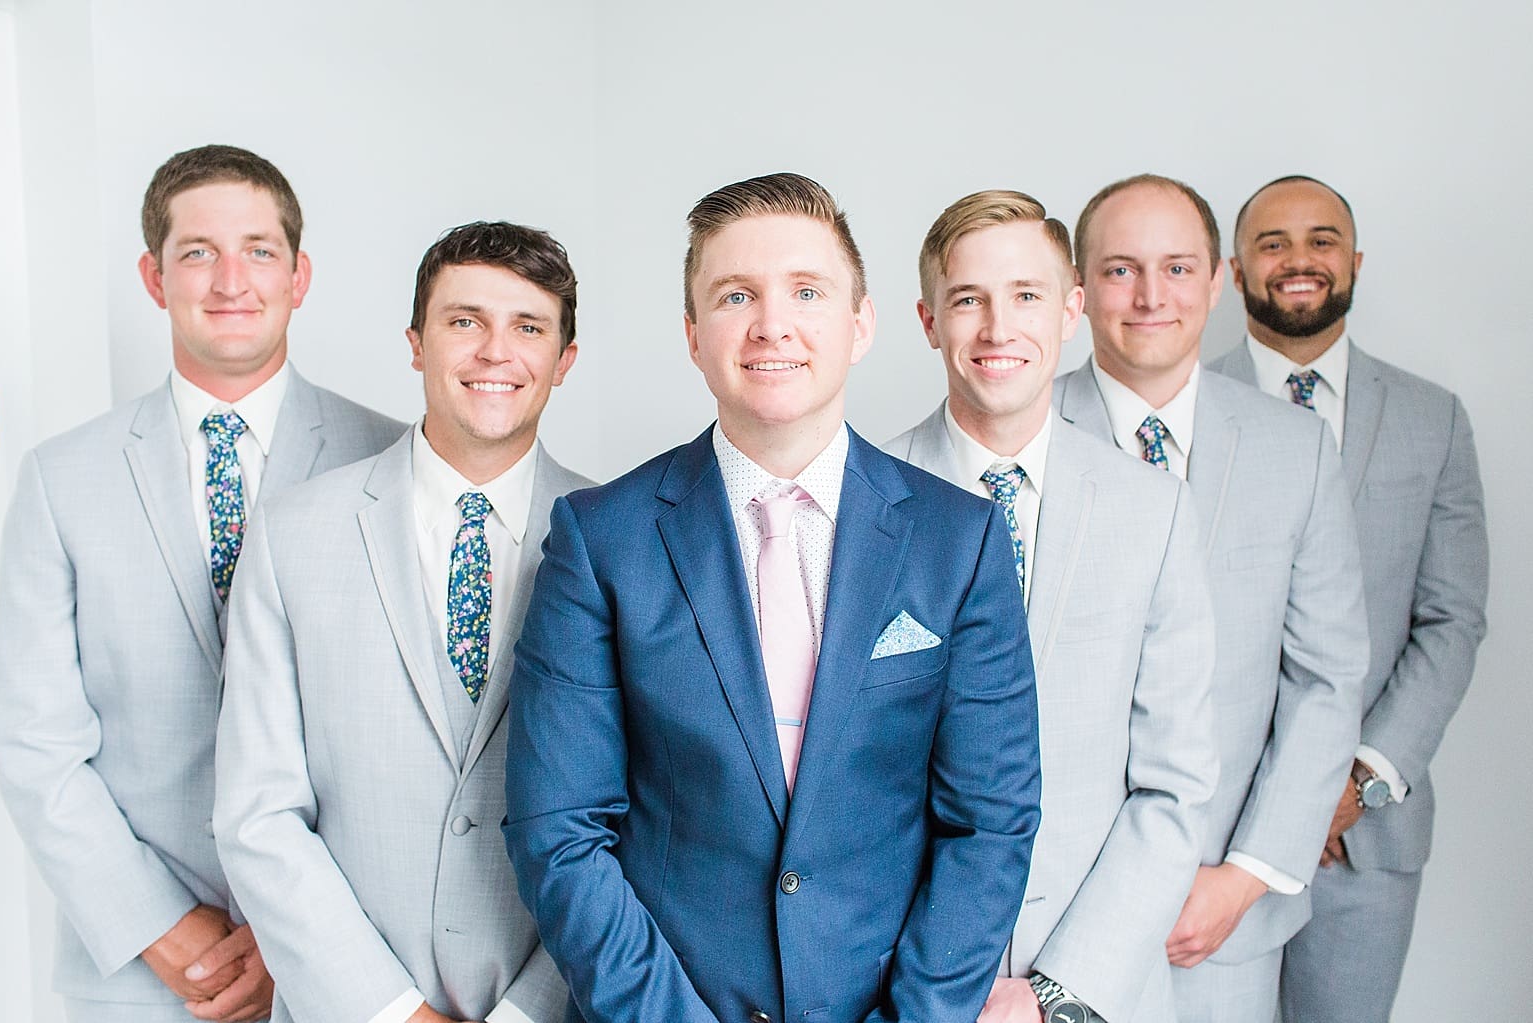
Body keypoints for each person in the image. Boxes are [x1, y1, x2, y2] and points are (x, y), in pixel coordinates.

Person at [503, 172, 1041, 1023]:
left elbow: (992, 821)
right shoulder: (600, 539)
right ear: (692, 332)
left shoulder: (959, 541)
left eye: (805, 290)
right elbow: (558, 829)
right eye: (734, 295)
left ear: (860, 322)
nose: (770, 324)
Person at [0, 144, 403, 1023]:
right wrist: (163, 928)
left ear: (299, 276)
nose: (229, 280)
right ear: (153, 276)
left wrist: (292, 931)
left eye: (259, 250)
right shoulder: (60, 479)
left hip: (353, 965)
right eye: (196, 252)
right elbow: (34, 742)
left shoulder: (391, 461)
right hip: (138, 974)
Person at [213, 220, 589, 1023]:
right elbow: (258, 812)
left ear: (564, 360)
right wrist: (386, 1011)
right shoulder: (292, 533)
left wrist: (529, 1012)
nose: (495, 351)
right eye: (464, 320)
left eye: (527, 327)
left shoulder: (625, 539)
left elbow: (643, 821)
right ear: (416, 342)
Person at [884, 189, 1217, 1023]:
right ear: (928, 319)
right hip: (896, 986)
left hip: (1097, 992)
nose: (999, 328)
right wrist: (933, 985)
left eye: (1026, 295)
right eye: (968, 299)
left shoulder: (1154, 509)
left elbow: (1173, 786)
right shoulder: (859, 504)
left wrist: (1058, 993)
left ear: (1070, 309)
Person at [1055, 173, 1370, 1023]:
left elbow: (1328, 675)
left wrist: (1244, 875)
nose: (1152, 296)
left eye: (1177, 267)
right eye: (1120, 270)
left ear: (1219, 279)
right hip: (1048, 910)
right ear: (1078, 289)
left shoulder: (1295, 448)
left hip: (1222, 913)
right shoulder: (1021, 435)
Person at [1210, 175, 1489, 1023]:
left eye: (1321, 239)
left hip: (1363, 837)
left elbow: (1451, 619)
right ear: (1233, 270)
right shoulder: (1178, 409)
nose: (1299, 259)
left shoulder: (1431, 418)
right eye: (1272, 242)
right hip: (1210, 825)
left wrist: (1351, 783)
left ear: (1354, 260)